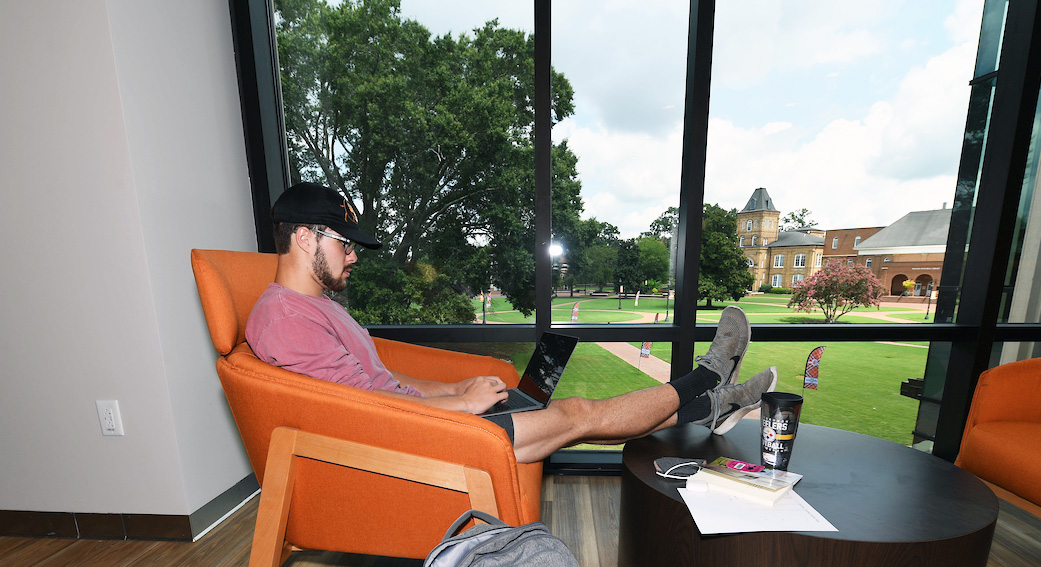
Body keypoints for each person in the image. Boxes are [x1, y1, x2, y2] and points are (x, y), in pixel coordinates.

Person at [246, 183, 777, 464]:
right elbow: (364, 410)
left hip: (425, 420)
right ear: (304, 237)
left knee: (573, 421)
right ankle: (710, 377)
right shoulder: (284, 319)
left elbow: (380, 382)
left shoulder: (316, 307)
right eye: (344, 243)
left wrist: (456, 388)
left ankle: (711, 407)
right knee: (578, 413)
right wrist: (462, 407)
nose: (353, 256)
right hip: (420, 439)